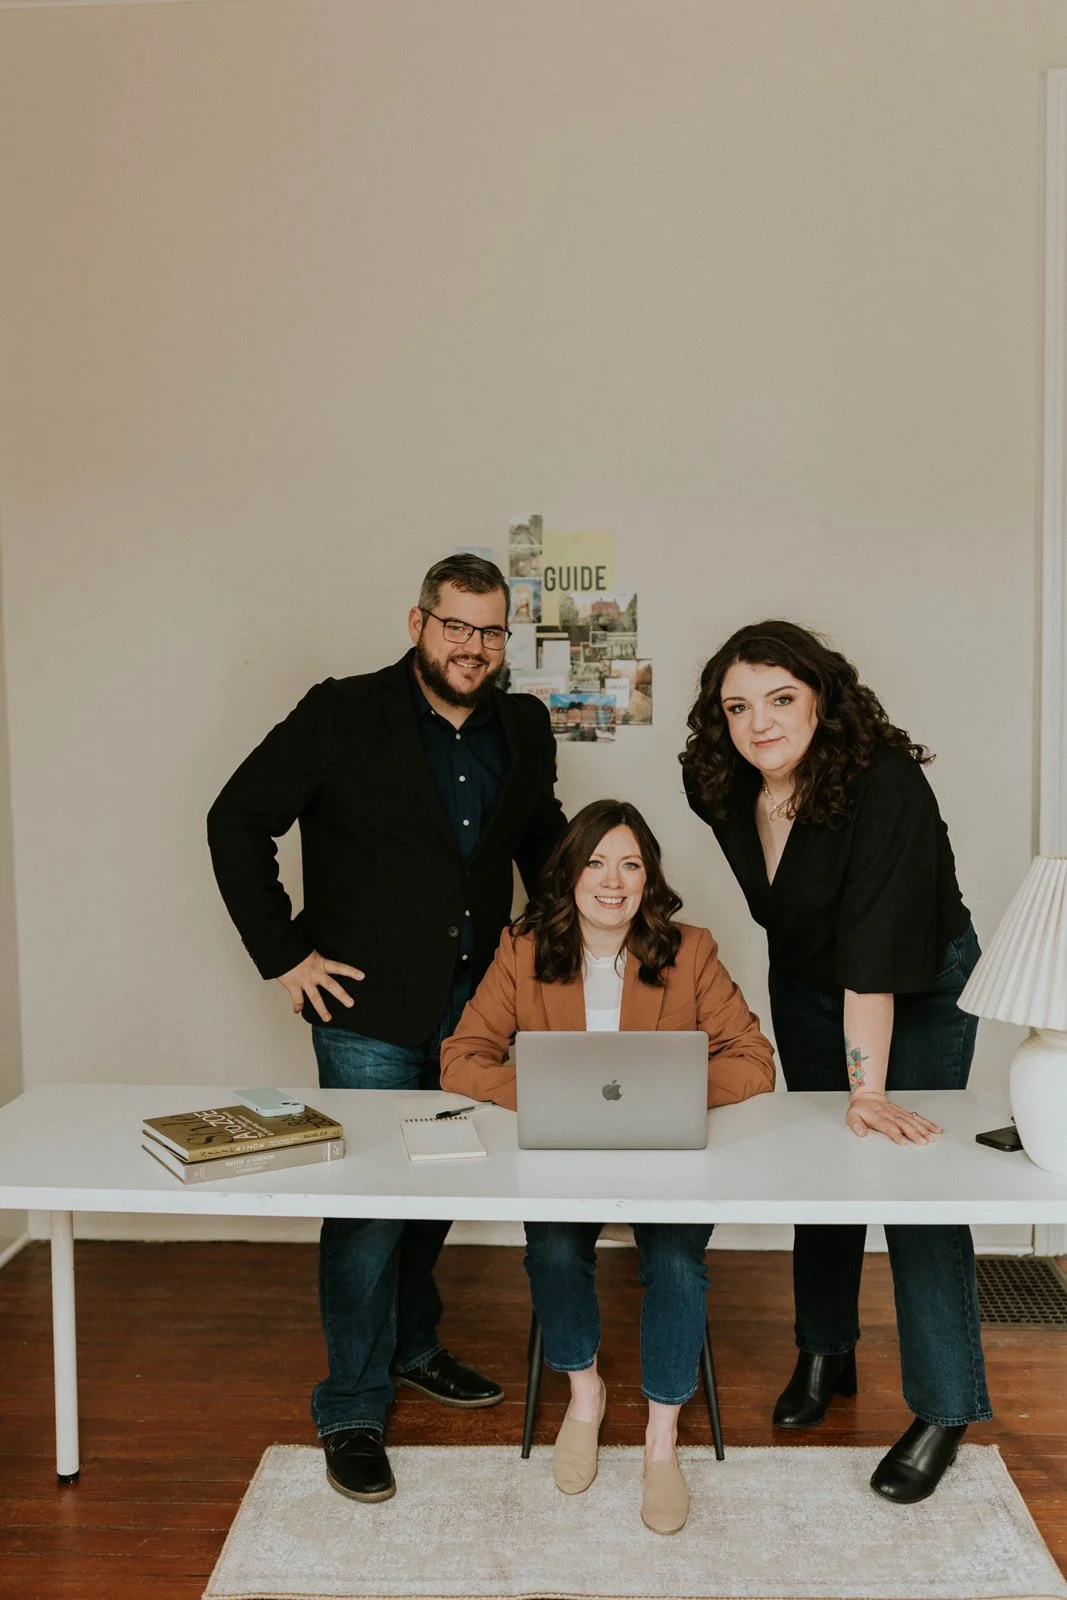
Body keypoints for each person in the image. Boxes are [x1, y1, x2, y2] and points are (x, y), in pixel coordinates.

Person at [207, 553, 566, 1503]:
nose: (474, 648)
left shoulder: (523, 727)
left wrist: (586, 943)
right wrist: (283, 955)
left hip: (473, 1014)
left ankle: (412, 1344)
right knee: (369, 1207)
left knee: (434, 1184)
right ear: (417, 622)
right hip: (363, 1012)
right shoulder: (341, 711)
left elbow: (544, 850)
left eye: (491, 631)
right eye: (457, 627)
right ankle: (353, 1405)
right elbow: (235, 819)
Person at [680, 619, 990, 1505]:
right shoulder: (718, 778)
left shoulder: (884, 787)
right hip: (811, 978)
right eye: (737, 706)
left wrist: (867, 1090)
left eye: (780, 699)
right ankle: (824, 1350)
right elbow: (798, 914)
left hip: (916, 986)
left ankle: (943, 1408)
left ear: (822, 699)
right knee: (821, 1166)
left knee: (908, 1178)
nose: (759, 724)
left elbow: (876, 957)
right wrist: (847, 1096)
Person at [440, 799, 775, 1534]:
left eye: (630, 863)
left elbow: (753, 1060)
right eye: (595, 862)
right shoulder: (524, 948)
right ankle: (584, 1395)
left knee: (678, 1268)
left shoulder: (688, 949)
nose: (613, 881)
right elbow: (462, 1059)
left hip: (666, 1154)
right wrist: (552, 1098)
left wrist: (675, 1099)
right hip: (564, 1153)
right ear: (568, 873)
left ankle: (661, 1436)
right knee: (555, 1249)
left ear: (648, 876)